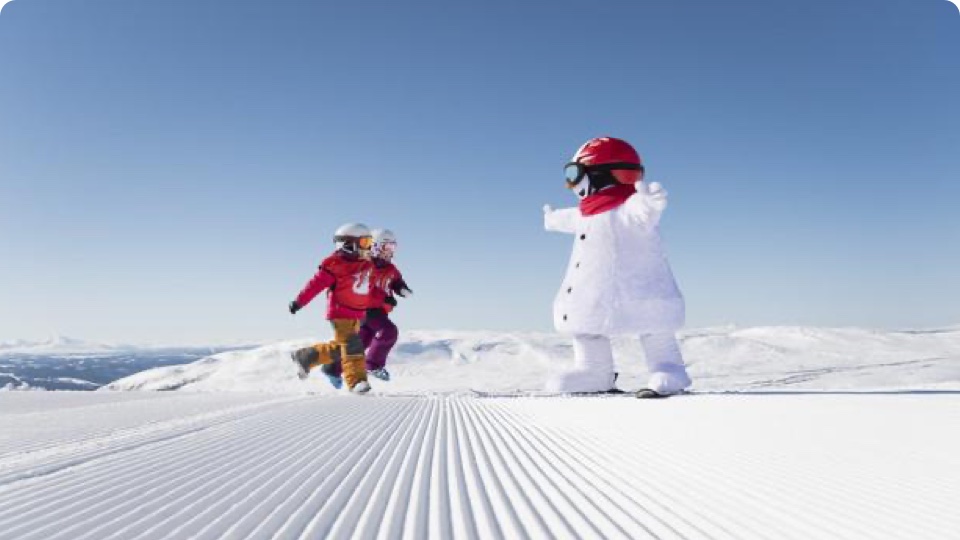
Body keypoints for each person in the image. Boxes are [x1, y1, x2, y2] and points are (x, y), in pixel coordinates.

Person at [542, 136, 691, 398]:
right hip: (593, 294)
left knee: (653, 326)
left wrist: (649, 203)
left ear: (601, 174)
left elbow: (641, 212)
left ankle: (669, 369)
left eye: (575, 173)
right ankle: (594, 372)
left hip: (642, 289)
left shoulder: (628, 209)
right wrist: (551, 218)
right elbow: (568, 217)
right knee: (586, 327)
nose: (571, 183)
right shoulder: (588, 213)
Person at [288, 222, 375, 394]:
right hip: (341, 313)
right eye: (365, 243)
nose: (368, 247)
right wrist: (299, 301)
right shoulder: (334, 265)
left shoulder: (364, 264)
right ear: (348, 244)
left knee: (341, 347)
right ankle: (356, 382)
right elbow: (314, 286)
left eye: (369, 243)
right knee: (352, 345)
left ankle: (306, 356)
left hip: (357, 314)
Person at [320, 228, 412, 386]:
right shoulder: (366, 266)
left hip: (378, 310)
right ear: (375, 247)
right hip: (368, 309)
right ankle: (373, 365)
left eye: (393, 247)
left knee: (360, 343)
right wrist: (386, 298)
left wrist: (401, 289)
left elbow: (396, 280)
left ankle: (333, 367)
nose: (390, 252)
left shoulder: (390, 268)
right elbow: (365, 288)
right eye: (387, 247)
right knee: (389, 331)